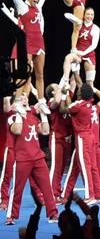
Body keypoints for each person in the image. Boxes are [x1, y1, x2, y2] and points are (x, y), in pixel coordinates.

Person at [5, 94, 58, 225]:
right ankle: (11, 216)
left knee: (47, 187)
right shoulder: (11, 118)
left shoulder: (32, 117)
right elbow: (17, 130)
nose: (23, 99)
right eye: (20, 98)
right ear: (14, 105)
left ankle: (52, 214)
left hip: (38, 157)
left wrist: (44, 115)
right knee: (17, 189)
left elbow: (45, 131)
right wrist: (18, 113)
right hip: (22, 159)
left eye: (24, 98)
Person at [0, 0, 50, 104]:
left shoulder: (38, 7)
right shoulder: (22, 6)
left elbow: (42, 1)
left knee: (40, 75)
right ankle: (17, 101)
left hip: (40, 43)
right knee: (25, 74)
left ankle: (41, 101)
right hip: (27, 44)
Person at [60, 83, 100, 204]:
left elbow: (63, 109)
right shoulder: (90, 105)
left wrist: (64, 95)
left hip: (81, 137)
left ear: (80, 94)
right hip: (90, 136)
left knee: (85, 166)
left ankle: (90, 196)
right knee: (91, 166)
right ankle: (98, 194)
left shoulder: (78, 104)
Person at [59, 7, 100, 88]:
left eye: (92, 14)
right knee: (68, 61)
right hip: (77, 53)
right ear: (84, 15)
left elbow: (94, 45)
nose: (90, 16)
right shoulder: (79, 24)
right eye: (88, 14)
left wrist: (84, 53)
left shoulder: (96, 28)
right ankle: (65, 82)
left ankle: (88, 99)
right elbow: (66, 15)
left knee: (90, 82)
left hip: (89, 54)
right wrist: (77, 20)